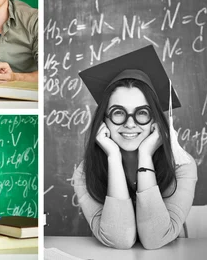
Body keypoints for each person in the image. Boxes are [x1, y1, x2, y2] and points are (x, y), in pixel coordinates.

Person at [74, 46, 197, 250]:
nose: (130, 124)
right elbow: (119, 239)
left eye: (142, 113)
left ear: (154, 121)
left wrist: (145, 156)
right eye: (118, 112)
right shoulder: (84, 172)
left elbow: (155, 239)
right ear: (104, 120)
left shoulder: (182, 166)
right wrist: (113, 157)